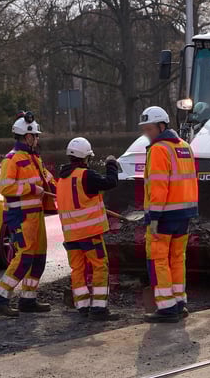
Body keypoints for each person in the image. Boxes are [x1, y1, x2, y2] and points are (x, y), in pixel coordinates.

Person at [0, 111, 56, 317]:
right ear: (27, 137)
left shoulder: (34, 158)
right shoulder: (12, 159)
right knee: (24, 258)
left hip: (36, 216)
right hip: (22, 217)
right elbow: (7, 188)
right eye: (36, 136)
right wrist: (32, 189)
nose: (37, 139)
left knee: (39, 259)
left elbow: (47, 180)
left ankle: (28, 300)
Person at [140, 106, 198, 323]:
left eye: (149, 129)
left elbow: (158, 186)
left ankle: (166, 307)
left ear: (161, 126)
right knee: (177, 258)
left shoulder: (158, 150)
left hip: (163, 216)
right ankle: (179, 302)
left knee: (158, 260)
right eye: (144, 129)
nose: (147, 133)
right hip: (184, 214)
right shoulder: (185, 147)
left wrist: (153, 216)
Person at [56, 137, 119, 320]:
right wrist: (111, 164)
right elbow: (110, 182)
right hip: (90, 234)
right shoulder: (86, 175)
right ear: (86, 157)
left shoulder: (62, 180)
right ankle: (99, 309)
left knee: (77, 269)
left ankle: (82, 307)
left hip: (70, 236)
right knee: (100, 266)